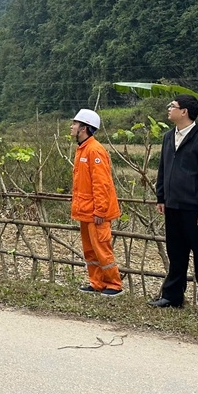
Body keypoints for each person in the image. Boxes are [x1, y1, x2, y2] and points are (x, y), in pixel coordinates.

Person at [149, 95, 198, 318]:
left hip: (194, 208)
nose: (169, 109)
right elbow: (163, 169)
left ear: (185, 112)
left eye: (173, 106)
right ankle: (172, 296)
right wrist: (161, 197)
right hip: (172, 205)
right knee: (176, 254)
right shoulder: (168, 137)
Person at [70, 109, 123, 296]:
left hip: (96, 212)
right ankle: (96, 282)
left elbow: (102, 184)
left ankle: (114, 284)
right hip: (85, 210)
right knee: (90, 251)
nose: (71, 127)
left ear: (84, 128)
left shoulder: (94, 150)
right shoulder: (82, 149)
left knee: (102, 249)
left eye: (75, 124)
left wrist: (100, 211)